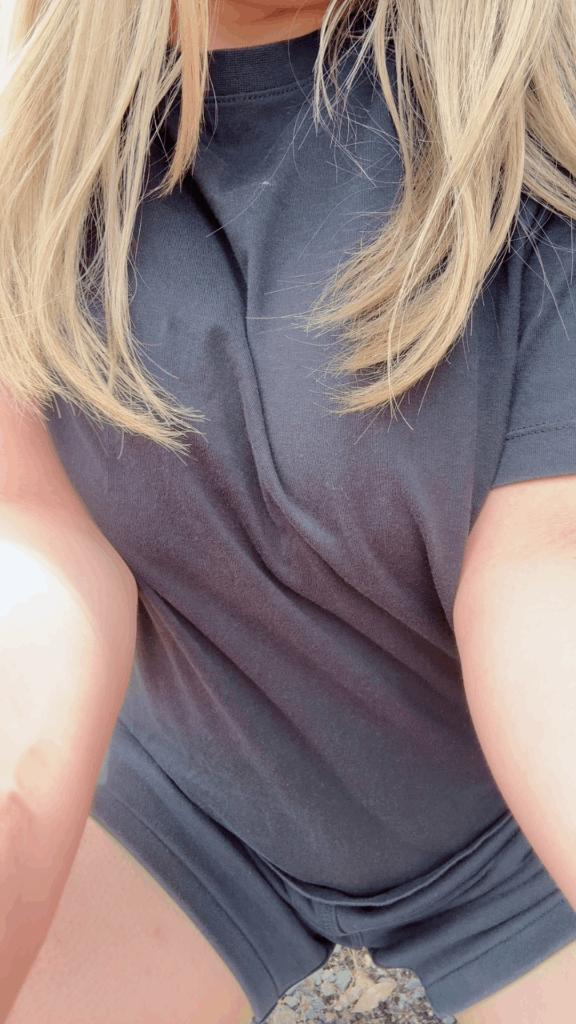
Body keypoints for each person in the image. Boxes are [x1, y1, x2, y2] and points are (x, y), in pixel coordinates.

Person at [1, 1, 576, 1022]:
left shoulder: (537, 155)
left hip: (512, 862)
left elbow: (546, 578)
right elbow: (37, 539)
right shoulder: (33, 149)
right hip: (189, 810)